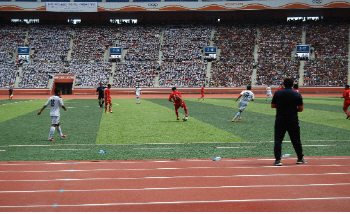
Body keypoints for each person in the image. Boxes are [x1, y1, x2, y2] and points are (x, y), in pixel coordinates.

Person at [271, 78, 306, 166]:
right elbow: (301, 109)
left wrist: (281, 108)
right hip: (292, 119)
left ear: (283, 84)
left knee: (278, 140)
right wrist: (292, 110)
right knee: (296, 139)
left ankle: (278, 160)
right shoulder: (297, 94)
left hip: (280, 118)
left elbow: (273, 105)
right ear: (292, 85)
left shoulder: (278, 93)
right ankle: (300, 158)